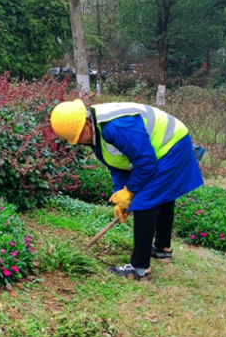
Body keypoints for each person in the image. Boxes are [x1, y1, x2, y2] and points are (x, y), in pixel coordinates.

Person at [50, 100, 204, 281]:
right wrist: (121, 195)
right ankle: (162, 249)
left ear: (86, 124)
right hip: (160, 150)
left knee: (146, 201)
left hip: (172, 145)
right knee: (160, 196)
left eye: (78, 137)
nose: (77, 142)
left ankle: (139, 269)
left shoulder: (117, 128)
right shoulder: (97, 131)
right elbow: (118, 165)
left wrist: (131, 192)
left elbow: (146, 163)